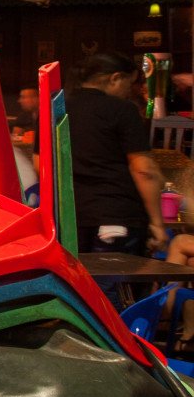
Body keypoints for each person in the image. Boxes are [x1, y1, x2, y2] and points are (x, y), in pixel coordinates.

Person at [68, 53, 166, 255]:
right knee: (117, 285)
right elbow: (143, 170)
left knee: (77, 283)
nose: (130, 92)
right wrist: (157, 222)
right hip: (117, 215)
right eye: (129, 84)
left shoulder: (57, 108)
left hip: (69, 217)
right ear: (115, 78)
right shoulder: (123, 110)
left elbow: (40, 162)